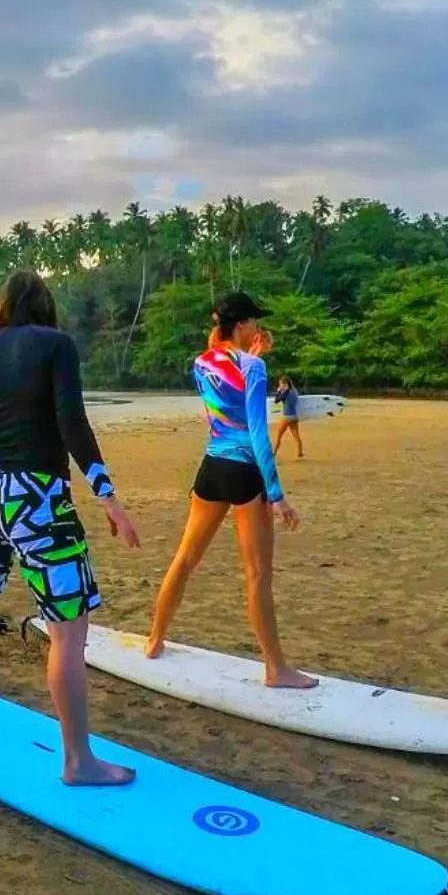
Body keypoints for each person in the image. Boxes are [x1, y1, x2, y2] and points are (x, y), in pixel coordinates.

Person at [0, 270, 142, 787]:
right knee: (67, 632)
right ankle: (78, 762)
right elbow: (72, 423)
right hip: (38, 500)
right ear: (45, 308)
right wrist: (108, 495)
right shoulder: (56, 346)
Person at [144, 292, 314, 688]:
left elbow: (220, 357)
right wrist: (277, 495)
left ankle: (154, 641)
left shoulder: (202, 363)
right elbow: (257, 431)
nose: (258, 328)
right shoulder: (253, 367)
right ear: (242, 325)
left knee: (184, 560)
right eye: (254, 322)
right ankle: (276, 669)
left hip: (211, 468)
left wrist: (251, 352)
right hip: (243, 473)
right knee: (257, 575)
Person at [271, 371, 305, 460]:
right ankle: (300, 452)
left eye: (280, 384)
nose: (279, 386)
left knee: (279, 435)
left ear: (285, 384)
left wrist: (278, 391)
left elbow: (276, 400)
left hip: (286, 416)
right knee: (296, 435)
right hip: (294, 416)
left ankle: (273, 453)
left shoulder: (285, 393)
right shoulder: (295, 391)